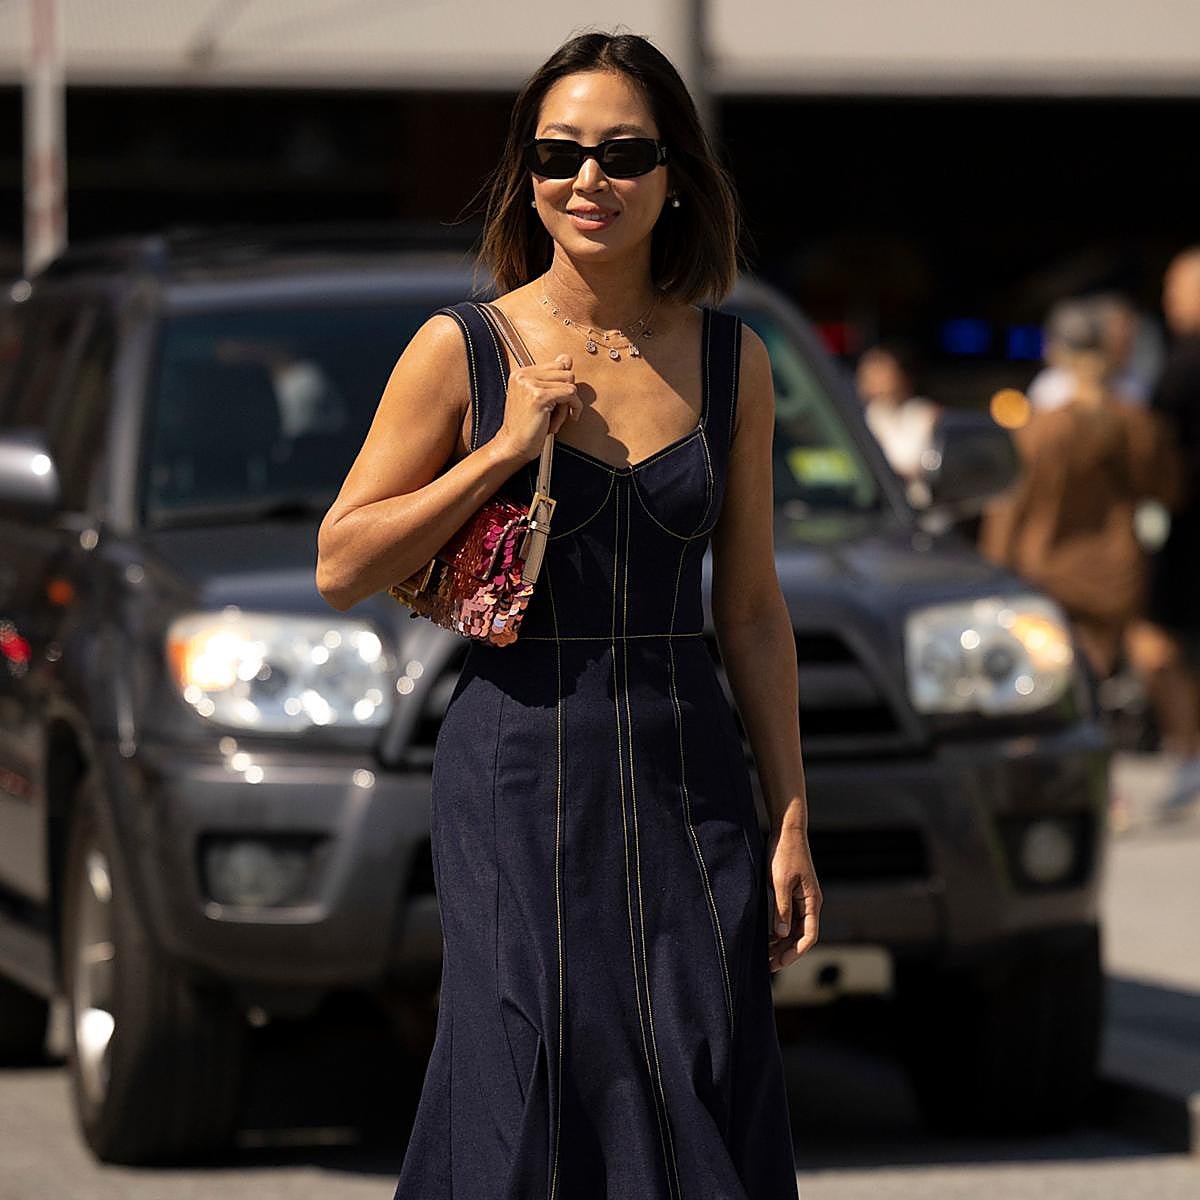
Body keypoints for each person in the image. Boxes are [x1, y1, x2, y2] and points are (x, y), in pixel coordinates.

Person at [315, 32, 815, 1200]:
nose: (589, 179)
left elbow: (748, 611)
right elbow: (342, 560)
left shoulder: (735, 363)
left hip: (689, 771)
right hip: (517, 765)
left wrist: (789, 815)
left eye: (624, 153)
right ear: (526, 175)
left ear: (675, 174)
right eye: (559, 153)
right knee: (533, 1073)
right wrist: (498, 452)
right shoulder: (464, 347)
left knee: (696, 1059)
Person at [979, 299, 1183, 681]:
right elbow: (1169, 487)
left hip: (1046, 571)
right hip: (1115, 573)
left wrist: (993, 576)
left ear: (1056, 352)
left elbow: (1009, 508)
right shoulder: (1134, 419)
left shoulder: (1042, 426)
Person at [1133, 247, 1200, 807]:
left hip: (1187, 528)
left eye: (1177, 289)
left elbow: (1156, 456)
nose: (1169, 300)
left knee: (1155, 642)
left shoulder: (1183, 368)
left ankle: (1186, 751)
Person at [1028, 293, 1152, 412]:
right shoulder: (1052, 384)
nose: (1125, 341)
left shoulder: (1134, 384)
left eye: (1129, 336)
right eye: (1117, 334)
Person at [854, 339, 940, 496]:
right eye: (870, 373)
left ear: (902, 375)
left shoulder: (926, 415)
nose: (875, 379)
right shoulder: (859, 419)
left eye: (881, 371)